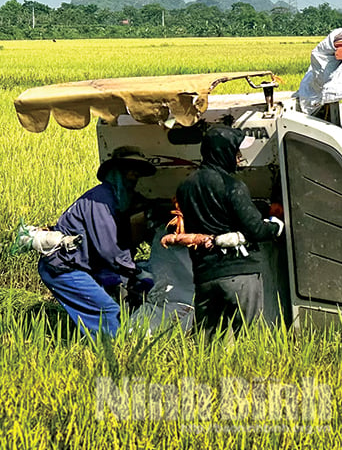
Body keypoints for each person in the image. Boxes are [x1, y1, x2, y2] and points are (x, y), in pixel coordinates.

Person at [176, 125, 283, 336]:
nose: (239, 158)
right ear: (224, 152)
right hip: (240, 275)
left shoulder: (185, 187)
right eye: (236, 152)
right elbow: (256, 230)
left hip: (205, 276)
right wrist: (276, 226)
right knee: (248, 340)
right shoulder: (233, 186)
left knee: (208, 345)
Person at [37, 147, 156, 337]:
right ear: (115, 171)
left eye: (137, 171)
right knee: (107, 311)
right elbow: (109, 250)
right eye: (128, 169)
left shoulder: (123, 198)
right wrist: (136, 272)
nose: (134, 175)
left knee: (126, 298)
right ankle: (106, 353)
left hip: (87, 264)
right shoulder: (102, 200)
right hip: (64, 267)